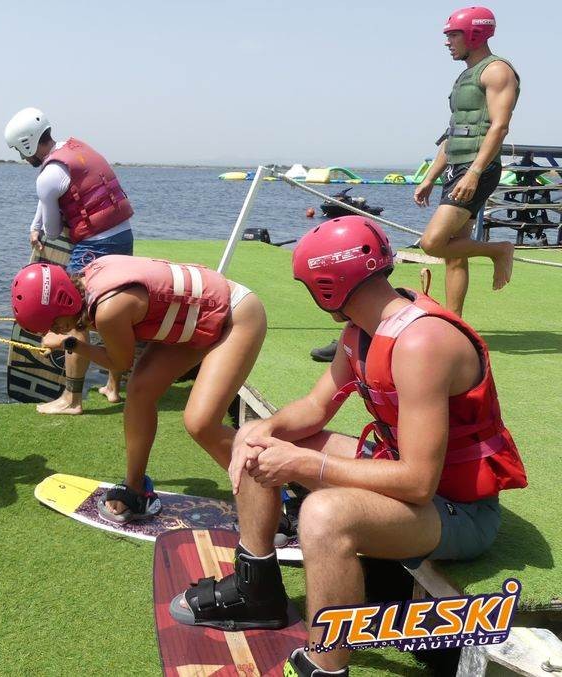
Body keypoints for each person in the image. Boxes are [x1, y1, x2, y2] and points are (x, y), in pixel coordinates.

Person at [169, 216, 527, 676]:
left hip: (461, 512)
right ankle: (256, 590)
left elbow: (418, 483)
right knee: (264, 440)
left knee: (325, 516)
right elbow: (315, 407)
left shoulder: (422, 344)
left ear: (326, 287)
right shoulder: (364, 327)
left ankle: (326, 667)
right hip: (412, 481)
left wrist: (305, 464)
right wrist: (262, 431)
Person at [11, 254, 266, 522]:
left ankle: (271, 491)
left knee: (201, 423)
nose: (56, 330)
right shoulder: (87, 279)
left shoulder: (109, 309)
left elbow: (119, 363)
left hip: (235, 314)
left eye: (54, 323)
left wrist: (70, 344)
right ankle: (135, 489)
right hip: (195, 317)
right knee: (139, 392)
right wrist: (67, 335)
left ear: (65, 300)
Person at [4, 107, 135, 415]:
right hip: (122, 235)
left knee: (76, 318)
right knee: (110, 308)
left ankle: (71, 400)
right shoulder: (75, 149)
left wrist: (42, 229)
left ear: (27, 143)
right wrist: (34, 225)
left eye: (20, 151)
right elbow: (49, 197)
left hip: (94, 246)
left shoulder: (48, 176)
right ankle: (113, 387)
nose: (21, 157)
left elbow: (52, 230)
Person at [413, 7, 519, 316]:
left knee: (432, 242)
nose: (447, 42)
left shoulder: (497, 71)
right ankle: (454, 322)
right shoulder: (465, 76)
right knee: (455, 254)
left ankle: (499, 249)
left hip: (477, 168)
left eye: (453, 35)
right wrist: (430, 177)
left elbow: (499, 127)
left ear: (475, 34)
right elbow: (454, 133)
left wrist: (473, 172)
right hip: (457, 167)